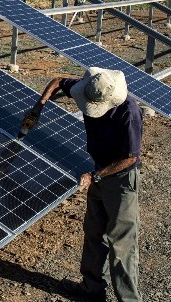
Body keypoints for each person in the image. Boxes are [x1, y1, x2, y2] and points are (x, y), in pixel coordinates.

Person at [28, 67, 142, 302]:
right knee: (93, 232)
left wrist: (96, 176)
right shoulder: (91, 88)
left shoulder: (129, 113)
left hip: (120, 180)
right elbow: (59, 80)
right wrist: (39, 106)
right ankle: (92, 289)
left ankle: (129, 299)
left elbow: (130, 157)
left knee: (122, 244)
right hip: (98, 171)